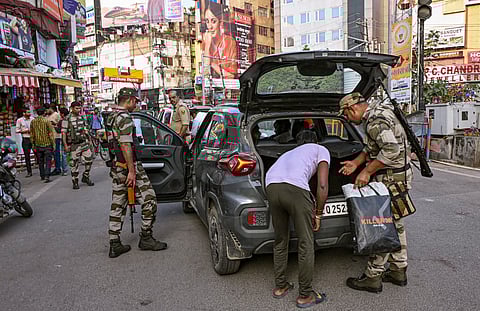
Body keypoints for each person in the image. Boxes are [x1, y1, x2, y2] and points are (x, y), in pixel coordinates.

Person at [338, 92, 413, 293]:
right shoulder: (378, 114)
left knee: (382, 226)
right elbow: (372, 146)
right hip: (399, 177)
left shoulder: (375, 121)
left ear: (352, 108)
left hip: (391, 178)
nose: (347, 120)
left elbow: (391, 150)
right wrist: (356, 163)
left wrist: (366, 171)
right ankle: (399, 269)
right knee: (396, 223)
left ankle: (373, 276)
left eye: (345, 115)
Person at [265, 129, 329, 309]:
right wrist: (318, 213)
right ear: (316, 141)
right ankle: (305, 295)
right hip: (295, 188)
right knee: (306, 243)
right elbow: (322, 185)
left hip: (271, 185)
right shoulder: (320, 149)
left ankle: (280, 286)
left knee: (280, 239)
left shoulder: (289, 153)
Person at [106, 87, 167, 258]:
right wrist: (132, 171)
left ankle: (114, 243)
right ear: (130, 100)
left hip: (117, 167)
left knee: (118, 204)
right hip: (128, 167)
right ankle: (146, 237)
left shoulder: (111, 116)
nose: (136, 105)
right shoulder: (124, 118)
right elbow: (125, 145)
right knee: (150, 201)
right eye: (135, 102)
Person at [201, 0, 238, 79]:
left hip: (227, 88)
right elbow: (205, 73)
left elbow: (231, 75)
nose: (210, 26)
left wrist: (212, 64)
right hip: (210, 87)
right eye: (207, 21)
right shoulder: (205, 42)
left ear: (220, 22)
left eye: (213, 21)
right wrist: (207, 45)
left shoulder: (230, 42)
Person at [62, 102, 94, 190]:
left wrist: (90, 141)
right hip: (73, 145)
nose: (78, 110)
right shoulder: (67, 119)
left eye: (79, 108)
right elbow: (63, 133)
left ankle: (86, 176)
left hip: (84, 143)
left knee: (89, 160)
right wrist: (65, 145)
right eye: (76, 108)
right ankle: (75, 181)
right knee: (74, 163)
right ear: (72, 108)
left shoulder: (82, 118)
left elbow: (86, 129)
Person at [30, 107, 55, 183]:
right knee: (48, 161)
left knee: (40, 161)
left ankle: (42, 175)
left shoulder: (33, 122)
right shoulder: (47, 121)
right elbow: (50, 134)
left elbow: (32, 134)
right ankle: (47, 175)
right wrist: (53, 144)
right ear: (44, 113)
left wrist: (33, 144)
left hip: (38, 144)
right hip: (47, 144)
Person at [15, 109, 33, 177]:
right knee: (27, 155)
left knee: (38, 154)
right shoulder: (19, 120)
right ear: (24, 113)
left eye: (29, 112)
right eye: (27, 112)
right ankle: (29, 171)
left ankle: (42, 171)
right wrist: (25, 131)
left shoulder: (32, 119)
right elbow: (17, 130)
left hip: (33, 138)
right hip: (25, 139)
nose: (29, 113)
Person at [47, 107, 62, 176]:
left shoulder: (56, 114)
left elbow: (60, 124)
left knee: (56, 152)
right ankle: (56, 167)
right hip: (50, 137)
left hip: (56, 136)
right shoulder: (47, 116)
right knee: (53, 153)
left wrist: (54, 123)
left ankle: (58, 168)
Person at [59, 108, 70, 176]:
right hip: (71, 140)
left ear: (62, 114)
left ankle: (65, 170)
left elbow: (61, 132)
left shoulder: (63, 121)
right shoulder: (71, 119)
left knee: (64, 155)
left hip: (65, 139)